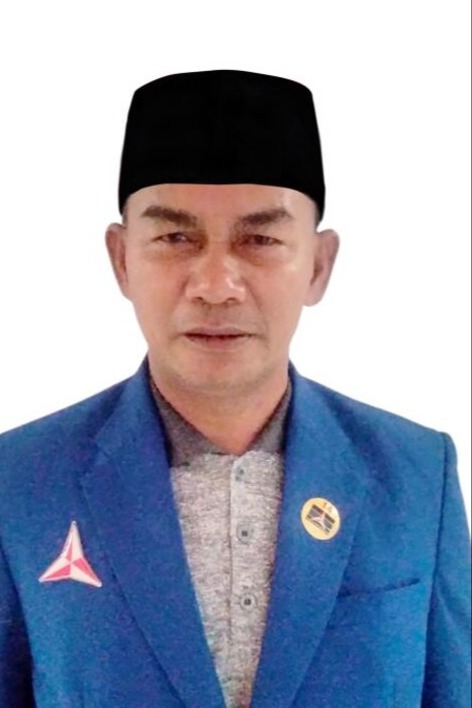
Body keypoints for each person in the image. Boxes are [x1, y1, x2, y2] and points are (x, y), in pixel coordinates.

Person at [0, 69, 470, 708]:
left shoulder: (416, 474)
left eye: (260, 239)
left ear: (318, 265)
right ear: (121, 259)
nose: (216, 285)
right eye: (175, 237)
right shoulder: (21, 480)